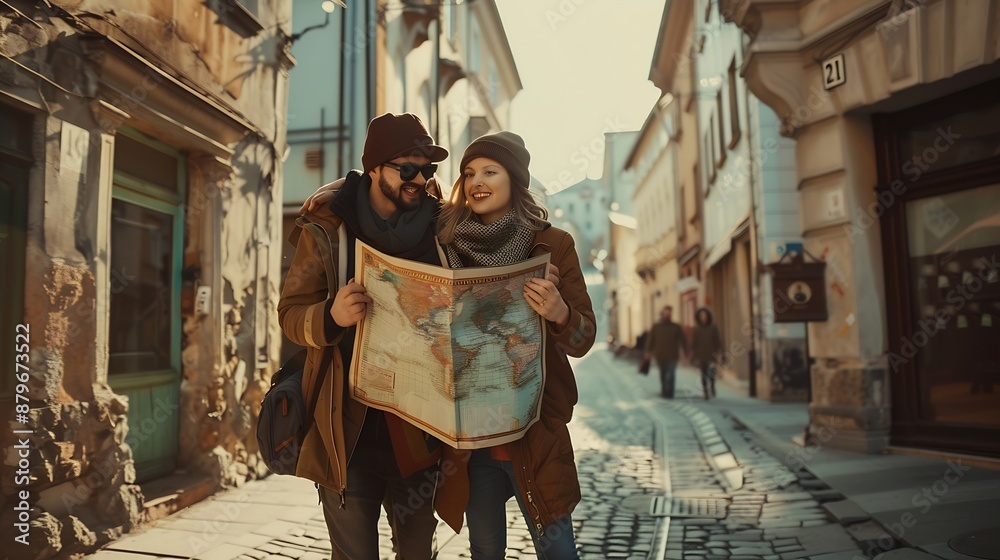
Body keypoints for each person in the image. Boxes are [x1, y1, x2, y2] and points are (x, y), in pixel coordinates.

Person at [278, 112, 448, 559]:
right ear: (374, 167)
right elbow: (290, 314)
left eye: (426, 169)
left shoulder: (443, 229)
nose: (418, 180)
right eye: (406, 168)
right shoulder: (328, 226)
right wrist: (331, 316)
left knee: (417, 554)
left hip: (420, 430)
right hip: (346, 430)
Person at [433, 132, 596, 560]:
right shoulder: (445, 246)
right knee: (485, 552)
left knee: (557, 550)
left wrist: (560, 313)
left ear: (514, 180)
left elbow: (584, 338)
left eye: (490, 171)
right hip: (472, 439)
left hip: (535, 431)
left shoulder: (553, 245)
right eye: (469, 173)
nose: (476, 181)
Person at [643, 306, 688, 398]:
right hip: (660, 355)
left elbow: (683, 340)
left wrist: (686, 352)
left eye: (669, 313)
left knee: (671, 373)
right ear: (663, 314)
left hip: (673, 355)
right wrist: (647, 351)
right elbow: (650, 340)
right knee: (663, 373)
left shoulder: (676, 327)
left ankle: (670, 392)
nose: (667, 315)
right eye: (665, 313)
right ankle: (664, 391)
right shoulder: (656, 327)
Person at [691, 307, 722, 400]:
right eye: (701, 316)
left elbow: (717, 341)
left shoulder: (713, 327)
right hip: (701, 355)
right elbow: (694, 342)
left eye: (705, 316)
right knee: (703, 374)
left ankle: (712, 386)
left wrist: (719, 352)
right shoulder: (696, 328)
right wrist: (692, 354)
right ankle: (705, 392)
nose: (703, 317)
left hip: (711, 354)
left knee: (711, 373)